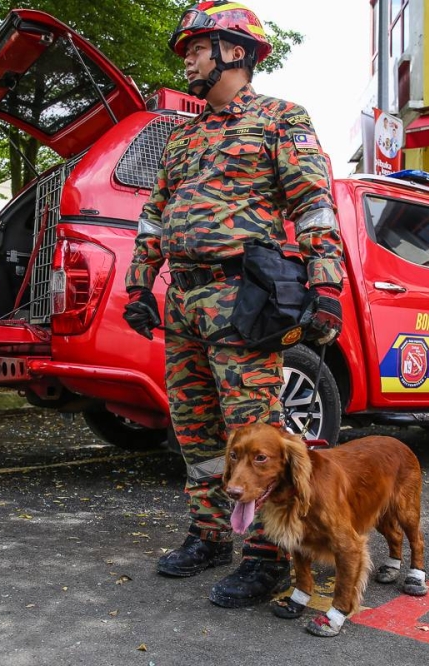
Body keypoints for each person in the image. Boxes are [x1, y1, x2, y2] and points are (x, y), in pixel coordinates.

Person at [123, 0, 345, 609]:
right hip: (186, 298)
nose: (188, 58)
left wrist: (328, 287)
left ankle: (271, 555)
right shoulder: (182, 135)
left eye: (197, 46)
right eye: (189, 49)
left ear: (236, 52)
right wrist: (140, 284)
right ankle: (211, 533)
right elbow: (155, 214)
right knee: (194, 430)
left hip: (244, 296)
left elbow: (313, 207)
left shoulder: (281, 119)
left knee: (253, 432)